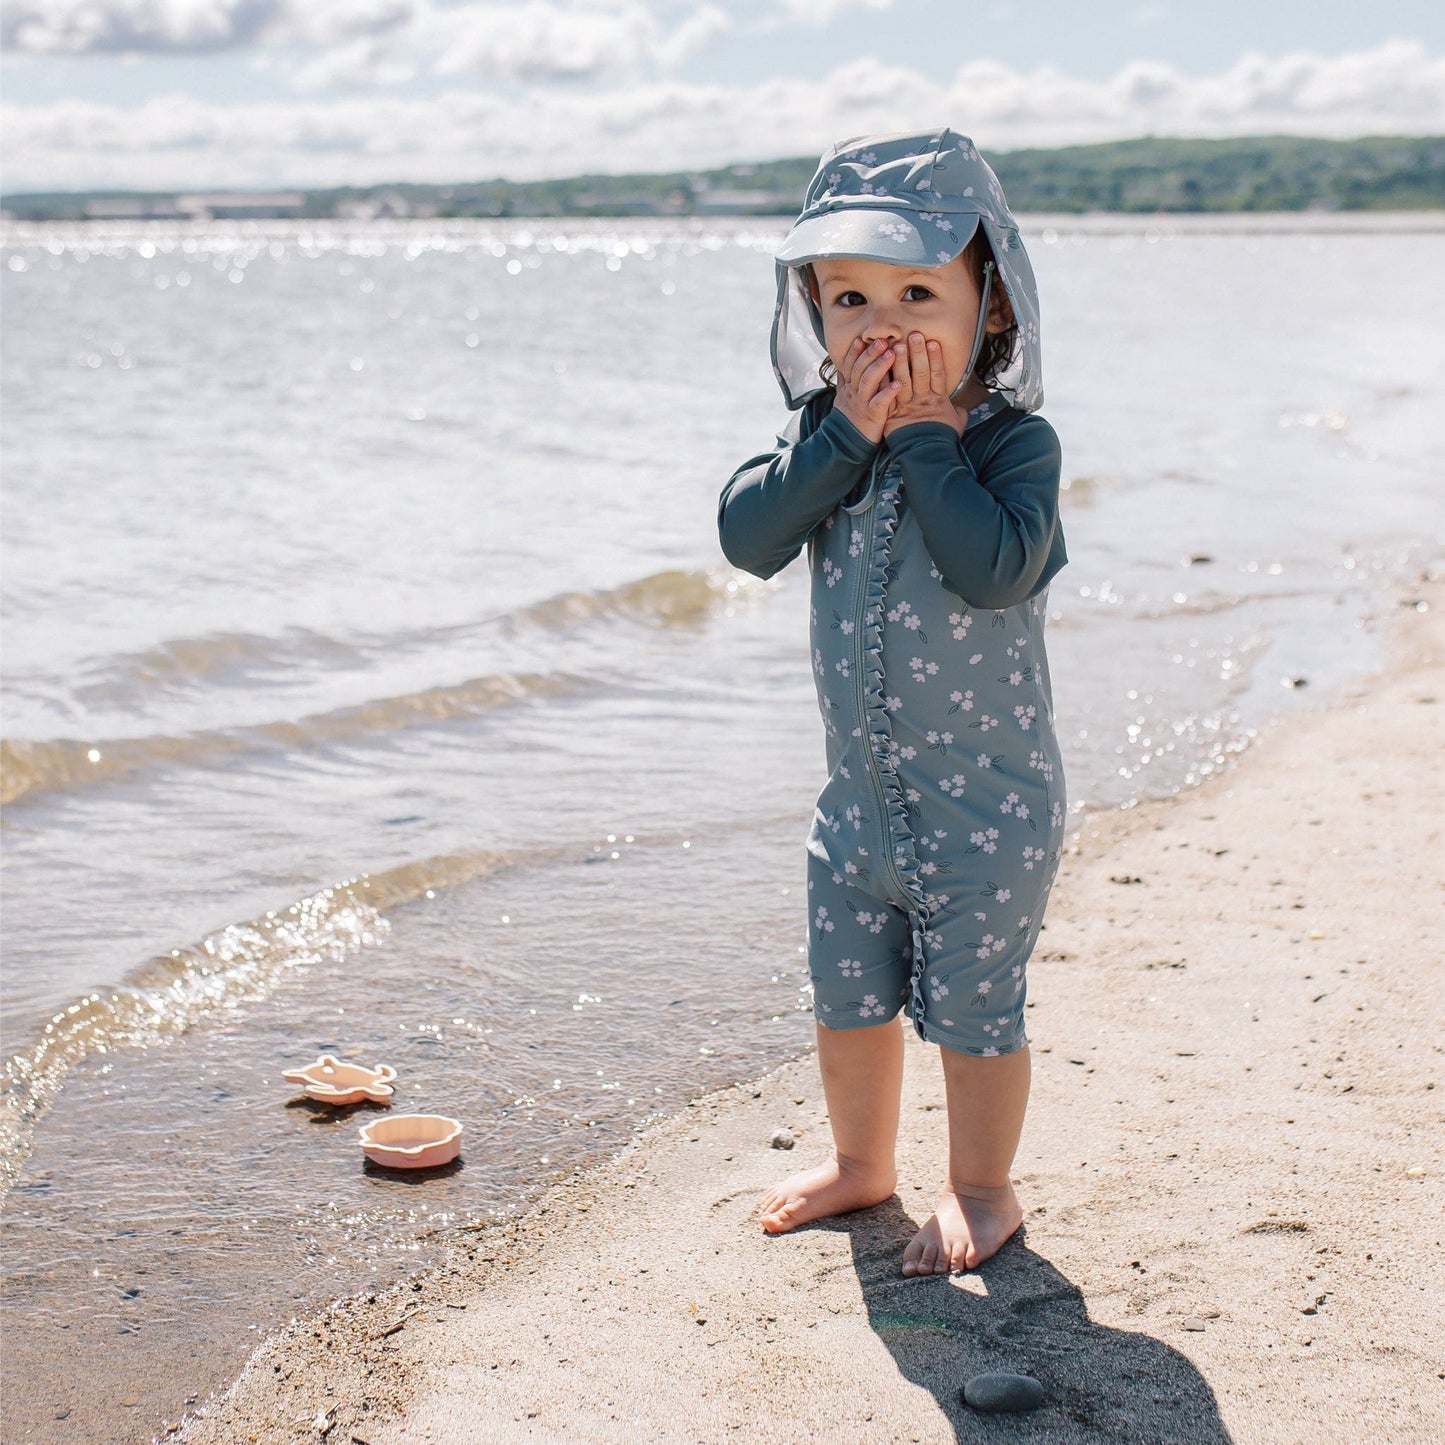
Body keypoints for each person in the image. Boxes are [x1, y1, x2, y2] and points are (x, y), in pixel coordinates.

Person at [717, 129, 1068, 1276]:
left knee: (974, 1011)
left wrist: (923, 439)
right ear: (811, 310)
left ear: (993, 308)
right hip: (857, 808)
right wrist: (848, 437)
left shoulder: (1014, 446)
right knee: (847, 998)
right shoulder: (823, 441)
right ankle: (861, 1161)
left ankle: (980, 1184)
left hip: (986, 814)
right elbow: (743, 534)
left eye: (918, 289)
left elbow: (992, 567)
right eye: (848, 295)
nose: (881, 323)